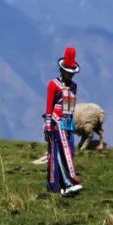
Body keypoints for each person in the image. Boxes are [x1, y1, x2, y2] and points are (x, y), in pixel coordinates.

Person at [44, 46, 83, 196]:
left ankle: (63, 183)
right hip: (56, 122)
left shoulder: (73, 87)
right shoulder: (53, 85)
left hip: (68, 124)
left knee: (69, 152)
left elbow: (71, 108)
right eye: (68, 72)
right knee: (59, 153)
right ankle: (65, 183)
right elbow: (49, 105)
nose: (71, 75)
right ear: (62, 70)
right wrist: (48, 125)